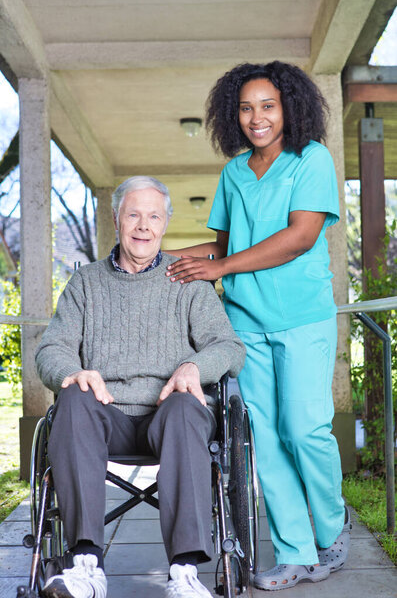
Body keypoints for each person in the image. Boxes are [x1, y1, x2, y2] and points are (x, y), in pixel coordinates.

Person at [166, 61, 351, 591]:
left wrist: (220, 268)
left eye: (268, 105)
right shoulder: (234, 173)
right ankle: (293, 551)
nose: (257, 117)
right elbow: (221, 248)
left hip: (302, 318)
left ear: (289, 108)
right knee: (264, 440)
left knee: (304, 428)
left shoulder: (311, 160)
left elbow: (300, 236)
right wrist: (162, 258)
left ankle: (332, 530)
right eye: (246, 108)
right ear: (233, 115)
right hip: (245, 322)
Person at [35, 175, 246, 598]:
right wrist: (72, 373)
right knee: (73, 399)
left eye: (153, 216)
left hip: (168, 413)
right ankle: (85, 565)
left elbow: (229, 347)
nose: (143, 225)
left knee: (189, 407)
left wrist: (193, 365)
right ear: (117, 220)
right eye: (133, 214)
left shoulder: (188, 283)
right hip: (105, 412)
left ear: (165, 224)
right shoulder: (85, 283)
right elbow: (51, 348)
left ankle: (184, 574)